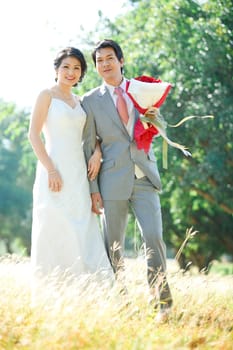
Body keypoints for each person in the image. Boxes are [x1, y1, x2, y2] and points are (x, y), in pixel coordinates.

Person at [82, 39, 173, 321]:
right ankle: (120, 304)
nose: (105, 64)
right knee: (113, 246)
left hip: (144, 175)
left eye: (110, 58)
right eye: (99, 60)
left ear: (121, 60)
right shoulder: (90, 100)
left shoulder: (140, 90)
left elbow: (160, 127)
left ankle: (162, 305)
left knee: (154, 237)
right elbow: (88, 145)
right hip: (111, 180)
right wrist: (93, 189)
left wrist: (157, 119)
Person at [28, 47, 112, 285]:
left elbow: (91, 137)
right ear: (57, 69)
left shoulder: (80, 101)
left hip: (79, 173)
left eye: (77, 68)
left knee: (84, 228)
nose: (71, 72)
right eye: (66, 67)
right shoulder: (46, 95)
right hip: (53, 170)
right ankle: (54, 289)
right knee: (54, 227)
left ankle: (92, 290)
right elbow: (33, 135)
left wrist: (97, 152)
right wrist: (51, 170)